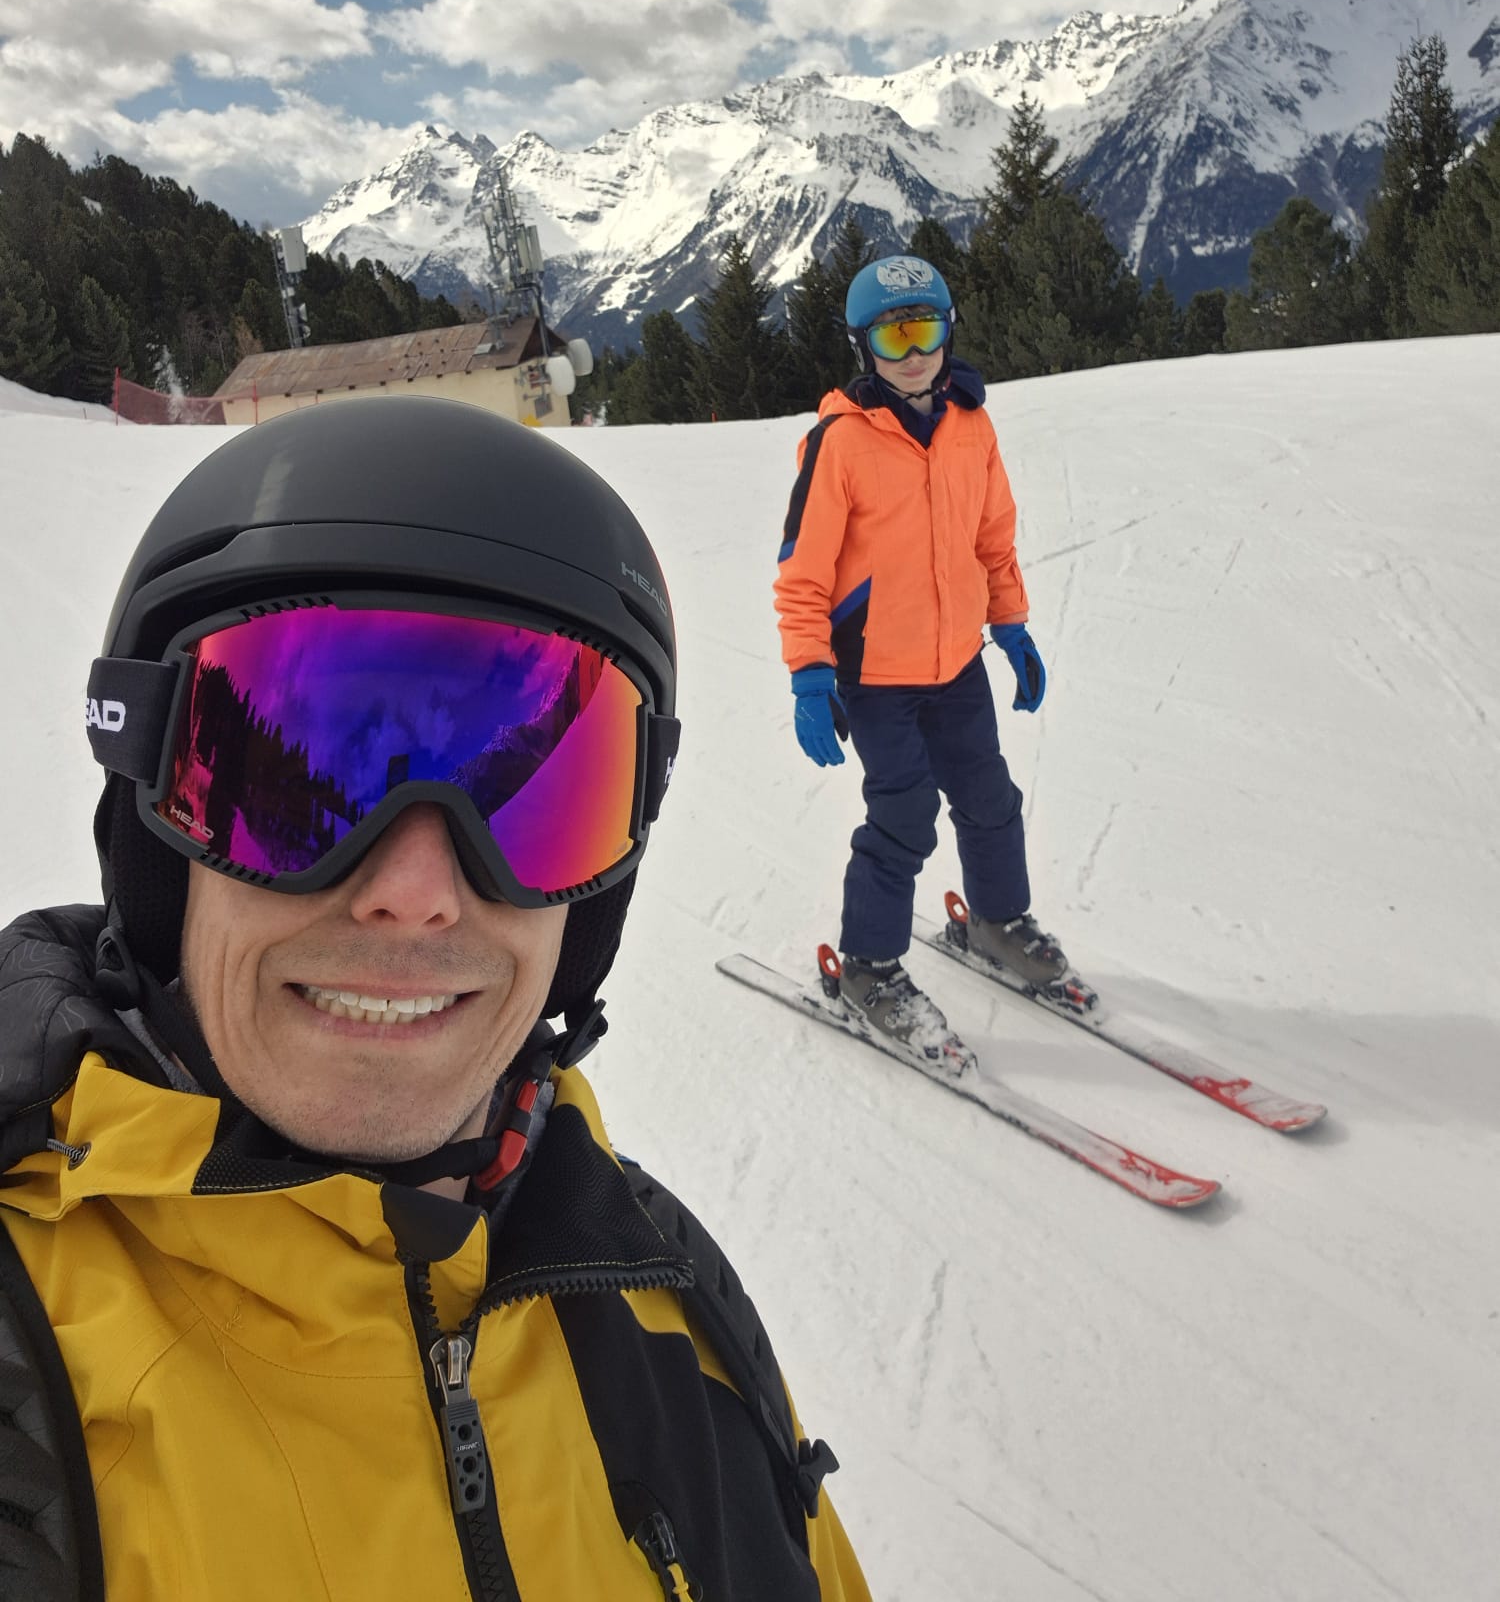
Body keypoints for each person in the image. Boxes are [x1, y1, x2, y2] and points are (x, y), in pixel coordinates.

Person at [0, 396, 871, 1602]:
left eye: (529, 798)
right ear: (157, 847)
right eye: (300, 777)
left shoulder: (665, 1301)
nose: (414, 893)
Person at [773, 254, 1071, 1067]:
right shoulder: (839, 443)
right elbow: (802, 571)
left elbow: (992, 540)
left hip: (958, 663)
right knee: (903, 815)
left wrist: (1011, 627)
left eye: (926, 331)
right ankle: (869, 967)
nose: (913, 354)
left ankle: (998, 921)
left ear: (948, 332)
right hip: (877, 677)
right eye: (893, 337)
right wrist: (811, 674)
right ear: (862, 346)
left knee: (990, 798)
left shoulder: (972, 426)